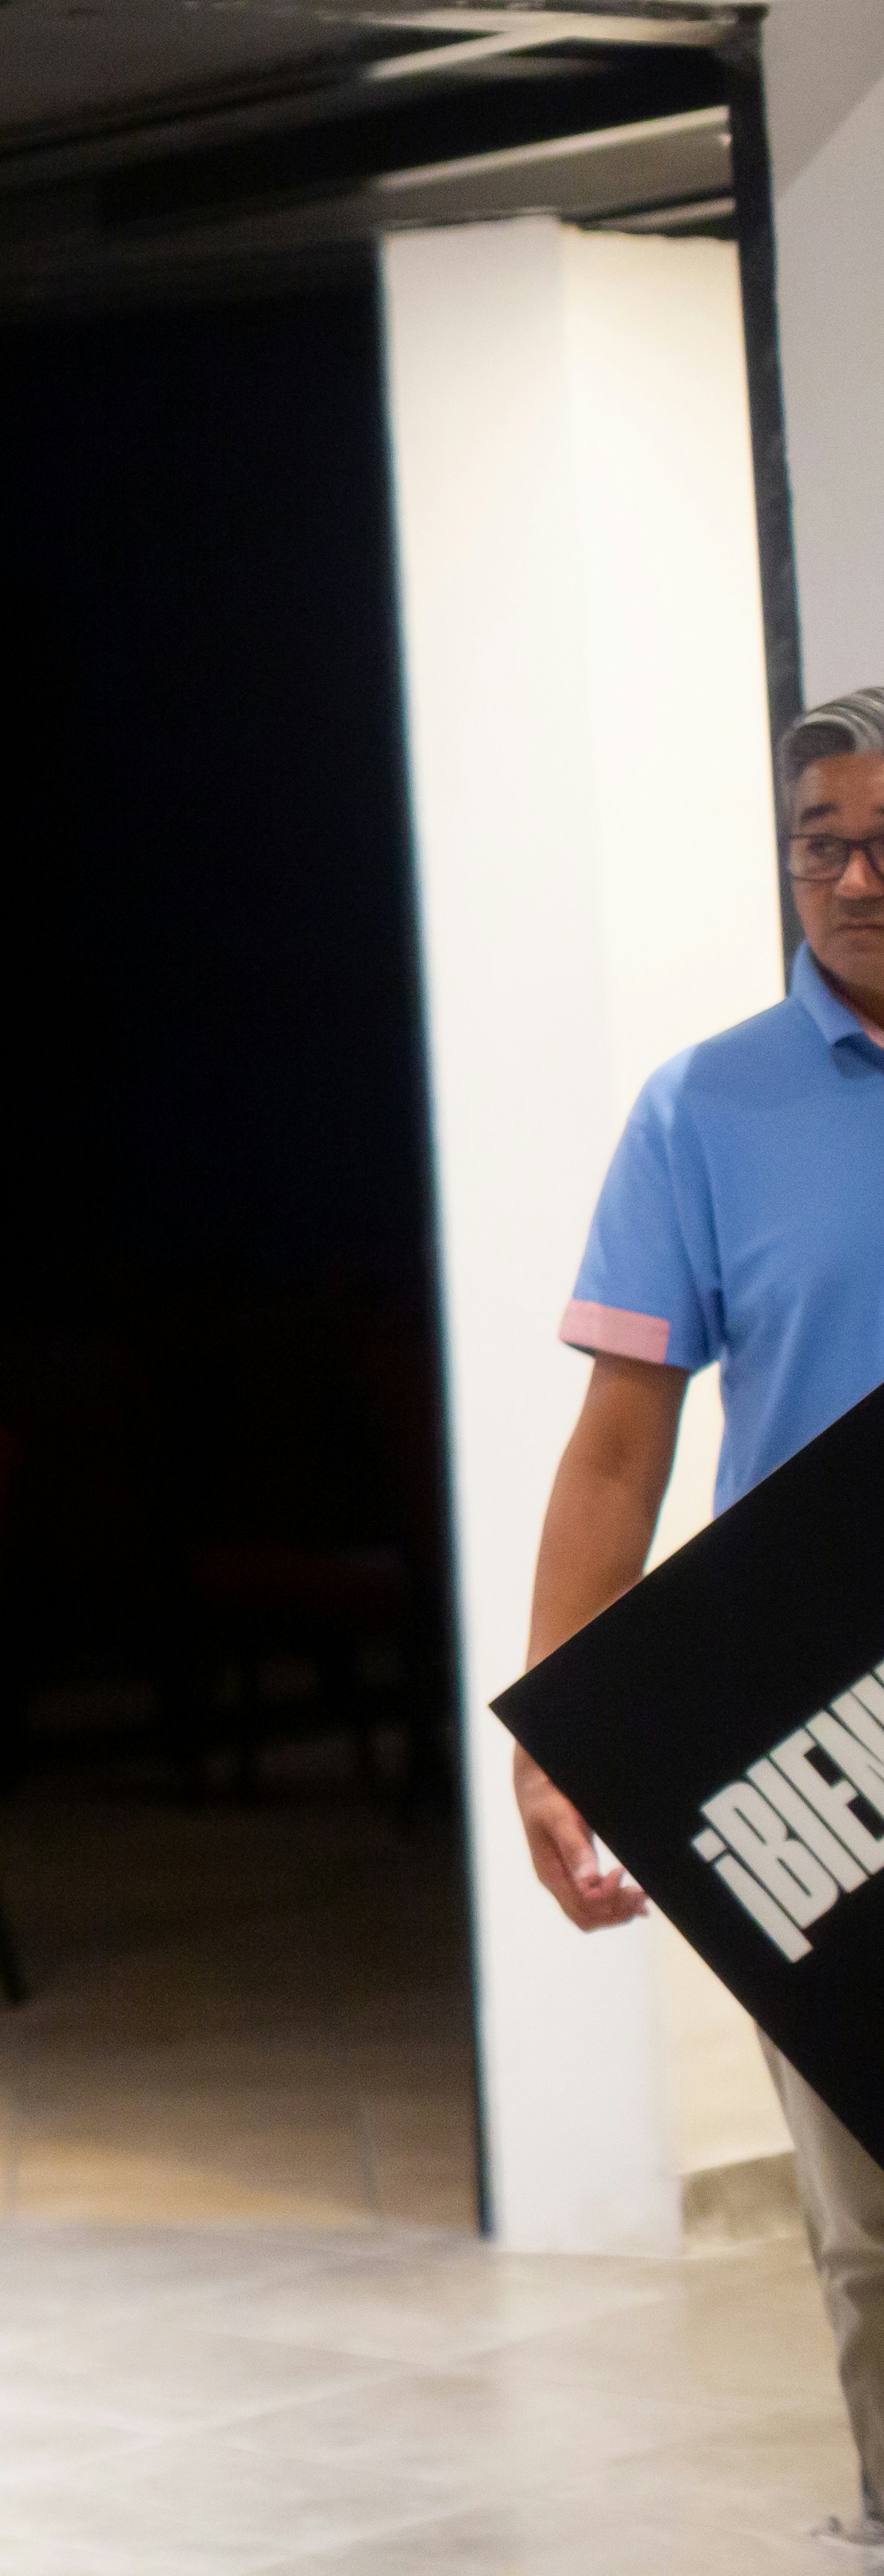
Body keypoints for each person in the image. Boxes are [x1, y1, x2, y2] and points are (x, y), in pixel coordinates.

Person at [517, 683, 884, 2560]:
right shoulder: (702, 1108)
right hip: (814, 1733)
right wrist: (551, 1738)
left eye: (880, 842)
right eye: (814, 843)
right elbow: (611, 1455)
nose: (846, 877)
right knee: (867, 2200)